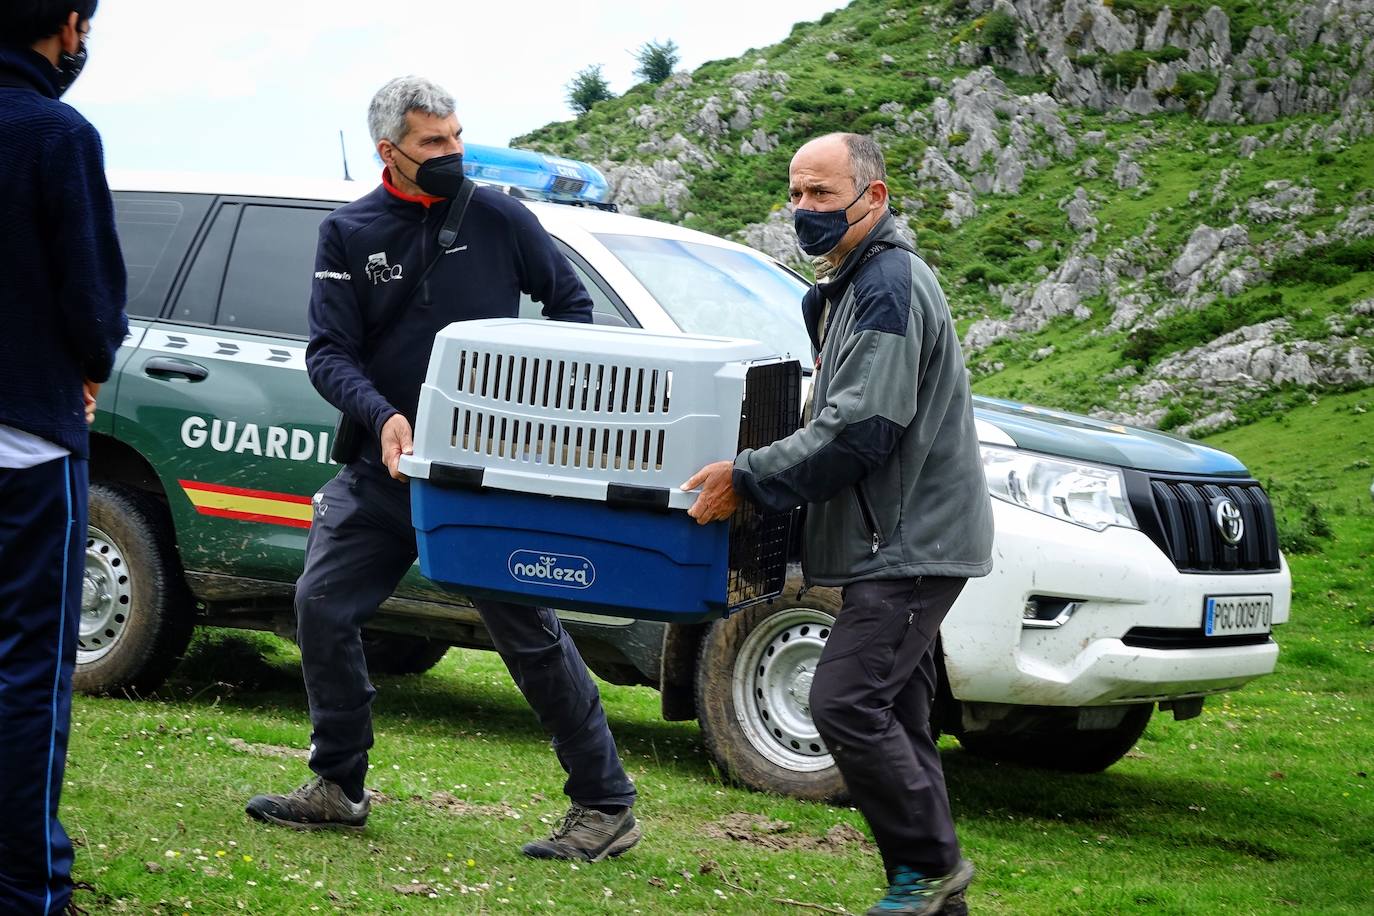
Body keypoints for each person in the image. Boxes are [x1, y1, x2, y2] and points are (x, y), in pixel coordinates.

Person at [245, 76, 640, 863]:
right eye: (434, 142)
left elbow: (571, 308)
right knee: (320, 605)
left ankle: (605, 805)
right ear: (391, 151)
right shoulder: (349, 232)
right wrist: (383, 418)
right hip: (381, 468)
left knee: (526, 635)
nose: (453, 151)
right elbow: (328, 352)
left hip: (480, 477)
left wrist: (525, 401)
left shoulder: (498, 214)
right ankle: (338, 786)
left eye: (457, 135)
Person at [683, 133, 993, 916]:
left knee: (845, 704)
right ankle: (933, 893)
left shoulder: (886, 284)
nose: (803, 211)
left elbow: (862, 427)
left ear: (874, 198)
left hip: (909, 542)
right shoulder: (849, 286)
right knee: (897, 715)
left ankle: (928, 868)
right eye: (795, 195)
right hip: (887, 540)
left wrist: (748, 476)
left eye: (821, 195)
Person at [0, 2, 127, 912]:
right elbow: (92, 302)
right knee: (27, 670)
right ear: (69, 26)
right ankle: (27, 886)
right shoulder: (56, 133)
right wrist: (88, 364)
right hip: (27, 442)